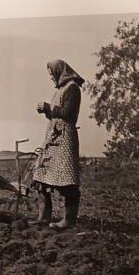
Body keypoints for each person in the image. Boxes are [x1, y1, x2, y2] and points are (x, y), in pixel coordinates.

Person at [32, 59, 84, 229]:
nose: (51, 78)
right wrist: (47, 111)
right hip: (53, 137)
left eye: (52, 74)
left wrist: (48, 107)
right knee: (40, 173)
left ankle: (68, 221)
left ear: (59, 71)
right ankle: (44, 217)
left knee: (67, 180)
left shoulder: (72, 89)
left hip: (64, 139)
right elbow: (57, 113)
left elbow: (68, 114)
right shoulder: (61, 89)